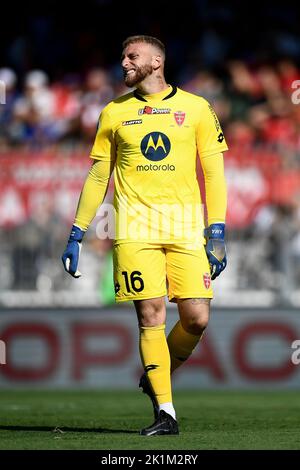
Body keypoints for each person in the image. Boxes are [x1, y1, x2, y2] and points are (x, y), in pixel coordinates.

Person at [62, 35, 228, 436]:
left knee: (197, 318)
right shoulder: (114, 113)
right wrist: (77, 231)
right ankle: (165, 412)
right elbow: (99, 174)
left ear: (156, 61)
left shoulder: (196, 108)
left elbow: (214, 171)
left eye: (131, 56)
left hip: (187, 227)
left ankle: (158, 372)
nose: (123, 63)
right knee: (151, 314)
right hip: (134, 229)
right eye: (122, 56)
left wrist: (217, 229)